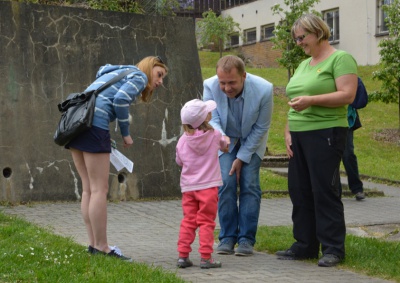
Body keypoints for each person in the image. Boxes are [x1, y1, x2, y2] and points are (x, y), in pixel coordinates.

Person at [275, 14, 358, 267]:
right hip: (298, 135)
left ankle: (333, 248)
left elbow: (347, 95)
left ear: (319, 32)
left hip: (326, 133)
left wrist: (311, 101)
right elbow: (293, 102)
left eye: (302, 37)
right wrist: (288, 132)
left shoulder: (340, 59)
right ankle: (305, 245)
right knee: (299, 190)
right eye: (296, 39)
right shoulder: (303, 65)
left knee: (324, 190)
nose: (298, 42)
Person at [66, 56, 168, 261]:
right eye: (159, 74)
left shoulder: (113, 72)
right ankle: (103, 247)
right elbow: (120, 99)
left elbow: (104, 98)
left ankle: (94, 245)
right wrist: (125, 132)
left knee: (88, 188)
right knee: (99, 189)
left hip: (76, 123)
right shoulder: (138, 76)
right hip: (93, 125)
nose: (160, 81)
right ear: (149, 68)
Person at [203, 55, 274, 256]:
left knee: (250, 184)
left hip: (252, 139)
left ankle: (246, 239)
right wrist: (222, 137)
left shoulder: (264, 89)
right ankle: (227, 237)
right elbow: (212, 118)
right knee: (225, 182)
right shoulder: (209, 86)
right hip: (225, 140)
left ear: (244, 76)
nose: (226, 88)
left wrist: (242, 158)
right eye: (222, 83)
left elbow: (261, 127)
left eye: (232, 82)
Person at [175, 99, 230, 269]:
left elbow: (179, 161)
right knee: (207, 222)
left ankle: (183, 256)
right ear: (204, 118)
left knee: (188, 220)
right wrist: (226, 141)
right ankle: (206, 258)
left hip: (189, 187)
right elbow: (224, 147)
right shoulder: (214, 135)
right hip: (208, 187)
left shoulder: (182, 141)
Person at [342, 108, 365, 201]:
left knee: (348, 155)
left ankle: (357, 188)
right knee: (329, 157)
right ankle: (334, 189)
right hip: (326, 121)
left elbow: (360, 99)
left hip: (346, 119)